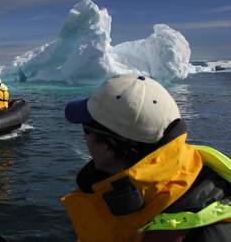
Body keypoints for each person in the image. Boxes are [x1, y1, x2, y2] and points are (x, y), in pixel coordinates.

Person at [62, 74, 231, 242]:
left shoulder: (208, 235)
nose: (84, 137)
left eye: (86, 129)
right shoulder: (191, 170)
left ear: (108, 147)